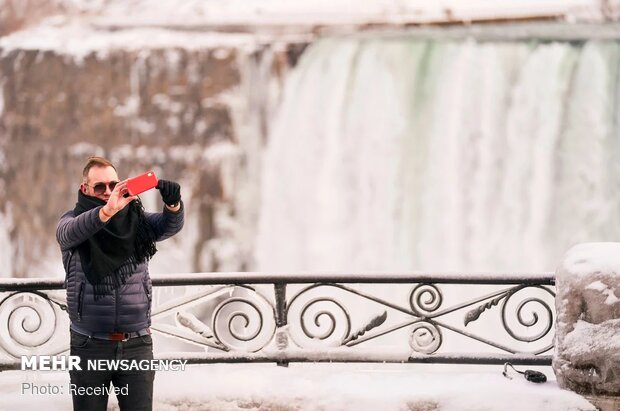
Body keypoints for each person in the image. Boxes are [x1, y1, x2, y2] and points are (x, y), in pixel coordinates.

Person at [56, 156, 184, 411]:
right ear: (85, 189)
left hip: (137, 343)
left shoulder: (136, 220)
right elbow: (68, 233)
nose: (106, 191)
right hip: (89, 345)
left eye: (112, 185)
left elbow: (170, 226)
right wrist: (106, 211)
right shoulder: (72, 220)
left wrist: (173, 204)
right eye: (99, 187)